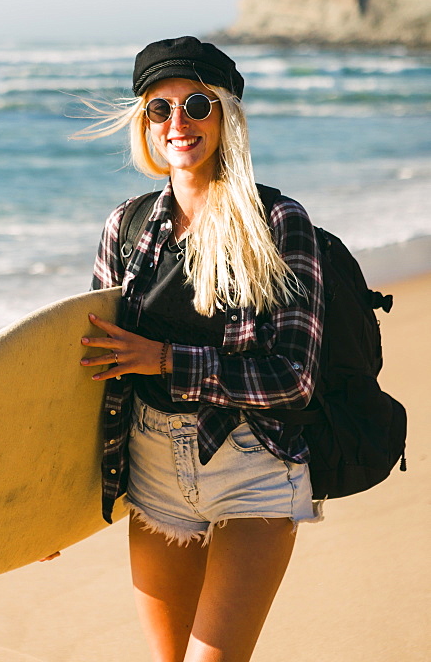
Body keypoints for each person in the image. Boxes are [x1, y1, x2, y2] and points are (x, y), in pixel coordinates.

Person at [77, 36, 324, 662]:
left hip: (252, 465)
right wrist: (51, 505)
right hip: (151, 464)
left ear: (227, 115)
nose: (177, 123)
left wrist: (162, 359)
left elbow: (293, 378)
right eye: (159, 110)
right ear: (144, 125)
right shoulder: (124, 227)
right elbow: (91, 373)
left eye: (195, 104)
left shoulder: (277, 222)